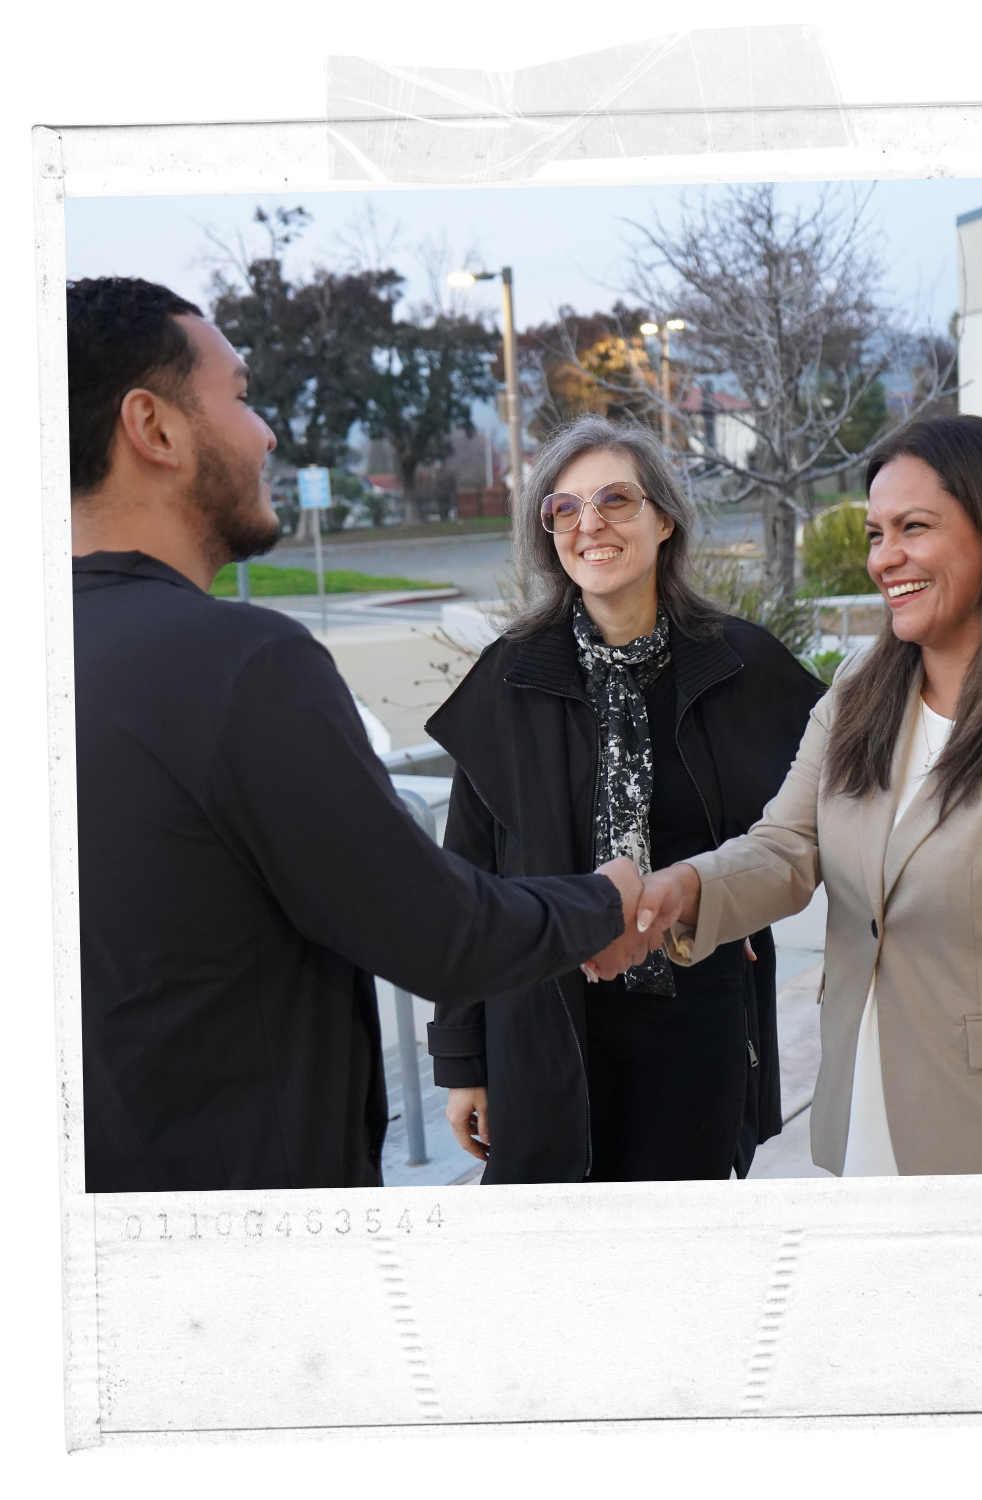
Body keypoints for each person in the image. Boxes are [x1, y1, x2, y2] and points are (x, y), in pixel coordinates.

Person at [68, 278, 657, 1194]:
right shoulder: (242, 666)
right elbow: (438, 930)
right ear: (155, 428)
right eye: (241, 393)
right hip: (251, 1239)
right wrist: (607, 900)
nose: (266, 433)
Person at [640, 414, 982, 1176]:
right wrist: (680, 890)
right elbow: (789, 847)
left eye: (913, 528)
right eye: (874, 534)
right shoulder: (864, 684)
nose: (884, 559)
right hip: (859, 1109)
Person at [425, 416, 826, 1183]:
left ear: (663, 518)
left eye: (615, 499)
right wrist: (463, 1061)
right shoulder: (506, 679)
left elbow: (806, 830)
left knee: (680, 1264)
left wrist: (740, 903)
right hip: (542, 1030)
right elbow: (466, 885)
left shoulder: (746, 666)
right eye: (565, 508)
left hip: (697, 1027)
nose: (590, 524)